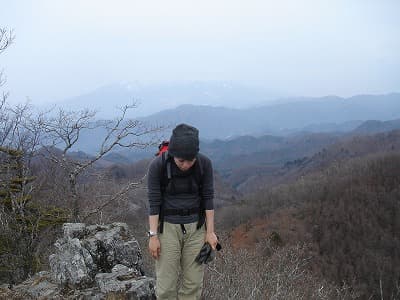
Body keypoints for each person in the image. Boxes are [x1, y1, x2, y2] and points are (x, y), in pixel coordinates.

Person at [147, 123, 218, 300]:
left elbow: (208, 198)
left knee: (193, 285)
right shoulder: (158, 166)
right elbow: (154, 202)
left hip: (196, 228)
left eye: (190, 160)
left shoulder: (204, 164)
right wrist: (153, 236)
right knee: (165, 288)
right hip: (167, 228)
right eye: (180, 161)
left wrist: (210, 233)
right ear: (172, 154)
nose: (185, 165)